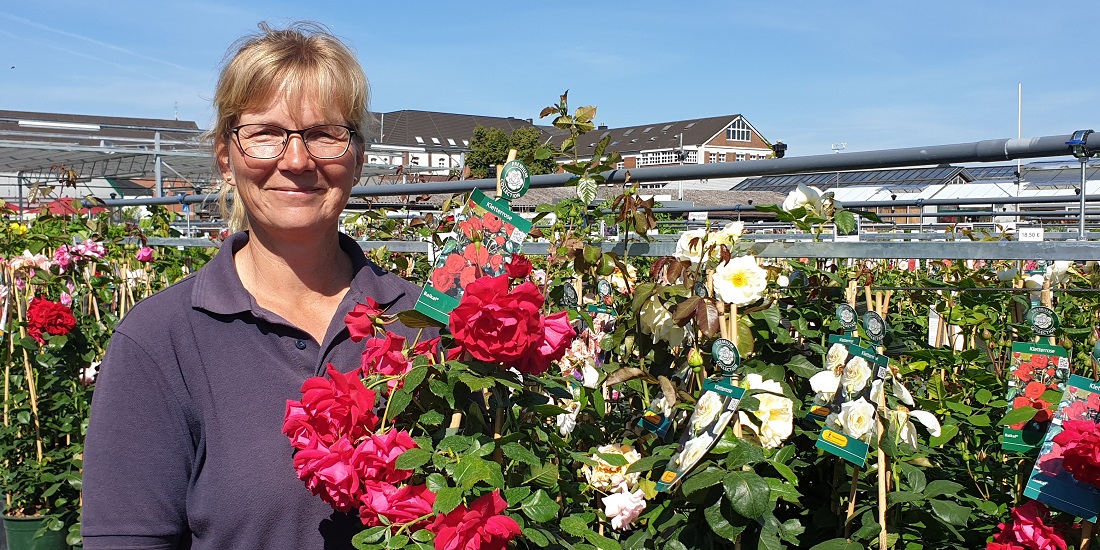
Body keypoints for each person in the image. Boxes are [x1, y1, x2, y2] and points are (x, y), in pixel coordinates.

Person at [82, 22, 430, 549]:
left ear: (357, 157)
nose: (296, 161)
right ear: (226, 155)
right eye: (265, 133)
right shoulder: (162, 340)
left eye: (323, 133)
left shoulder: (420, 322)